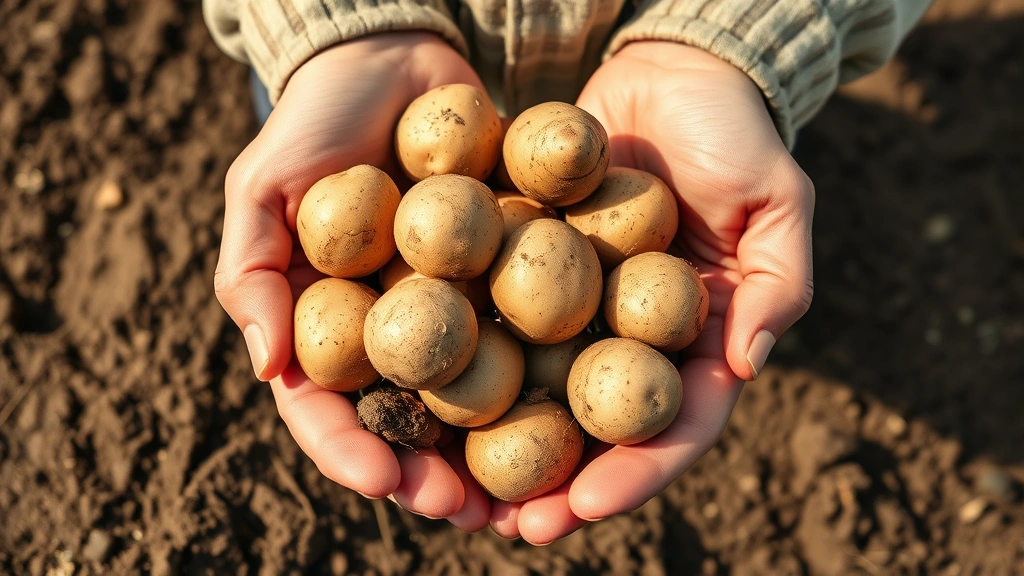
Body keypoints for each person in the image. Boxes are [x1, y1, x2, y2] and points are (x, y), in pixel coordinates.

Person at [203, 0, 932, 544]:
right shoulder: (415, 249)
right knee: (291, 104)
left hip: (666, 68)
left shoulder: (565, 239)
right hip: (379, 66)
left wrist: (735, 43)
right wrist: (336, 32)